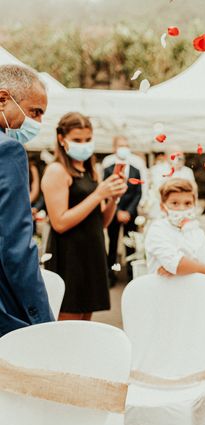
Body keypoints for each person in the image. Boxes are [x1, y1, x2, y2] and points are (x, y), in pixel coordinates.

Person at [41, 112, 127, 320]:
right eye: (77, 140)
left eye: (87, 140)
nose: (84, 145)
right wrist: (99, 194)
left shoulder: (91, 171)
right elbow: (59, 222)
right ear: (62, 139)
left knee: (86, 326)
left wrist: (113, 199)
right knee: (67, 326)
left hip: (92, 253)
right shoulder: (57, 171)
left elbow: (101, 223)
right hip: (69, 257)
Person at [0, 64, 54, 336]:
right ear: (2, 99)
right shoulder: (8, 150)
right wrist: (43, 321)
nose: (38, 122)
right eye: (35, 112)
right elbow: (15, 246)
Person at [144, 178, 205, 278]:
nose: (182, 208)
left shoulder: (196, 231)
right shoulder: (157, 230)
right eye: (175, 203)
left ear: (194, 205)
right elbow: (178, 265)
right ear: (162, 207)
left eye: (187, 203)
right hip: (162, 292)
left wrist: (185, 266)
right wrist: (187, 266)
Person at [104, 149, 143, 285]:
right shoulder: (108, 170)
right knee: (113, 244)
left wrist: (129, 212)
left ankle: (131, 276)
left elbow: (138, 193)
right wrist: (118, 211)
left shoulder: (135, 170)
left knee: (131, 245)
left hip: (130, 215)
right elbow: (107, 192)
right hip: (114, 214)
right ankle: (111, 276)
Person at [102, 135, 149, 199]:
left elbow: (143, 184)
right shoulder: (107, 161)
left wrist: (142, 201)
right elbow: (104, 184)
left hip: (132, 203)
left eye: (126, 146)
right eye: (121, 146)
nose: (124, 148)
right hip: (112, 201)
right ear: (114, 147)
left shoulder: (138, 161)